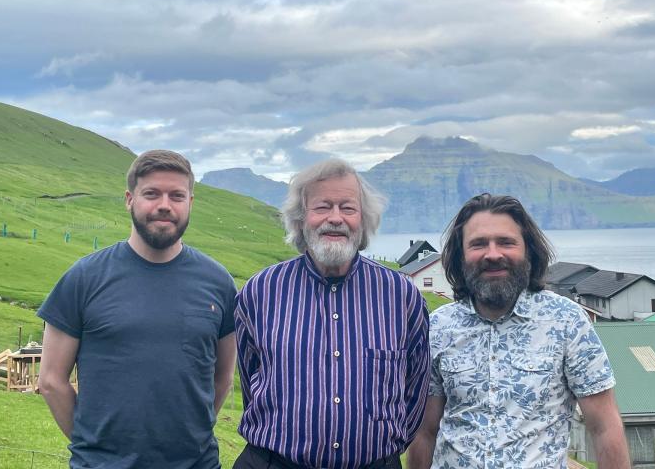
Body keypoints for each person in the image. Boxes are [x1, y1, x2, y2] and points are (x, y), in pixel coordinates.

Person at [37, 150, 237, 469]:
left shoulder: (219, 282)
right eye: (151, 194)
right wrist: (94, 448)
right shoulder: (84, 278)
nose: (164, 205)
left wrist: (191, 436)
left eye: (177, 195)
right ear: (130, 199)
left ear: (190, 203)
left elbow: (223, 378)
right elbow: (50, 380)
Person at [408, 193, 630, 469]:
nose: (493, 254)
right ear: (460, 254)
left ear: (528, 249)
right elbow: (425, 432)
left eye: (506, 242)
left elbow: (604, 427)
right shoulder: (438, 327)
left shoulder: (567, 321)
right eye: (478, 244)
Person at [234, 158, 429, 469]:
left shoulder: (401, 295)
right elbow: (250, 376)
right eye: (322, 207)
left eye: (348, 208)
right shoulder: (260, 291)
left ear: (364, 220)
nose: (335, 218)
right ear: (300, 220)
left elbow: (415, 387)